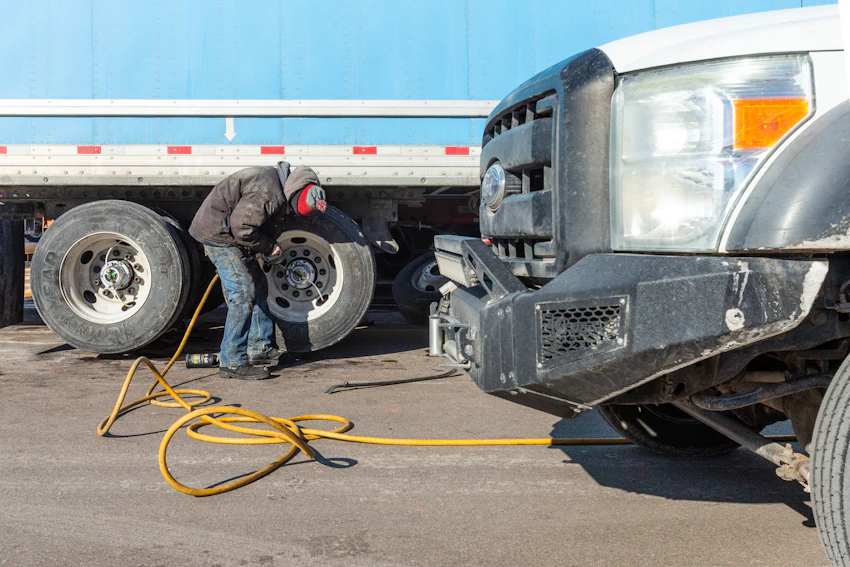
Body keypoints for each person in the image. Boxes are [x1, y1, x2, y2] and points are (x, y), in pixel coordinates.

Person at [189, 161, 327, 380]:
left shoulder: (284, 186)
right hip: (219, 235)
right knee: (243, 293)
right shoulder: (268, 192)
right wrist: (270, 247)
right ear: (294, 192)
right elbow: (243, 228)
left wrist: (266, 246)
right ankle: (232, 360)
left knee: (259, 285)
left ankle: (260, 348)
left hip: (234, 234)